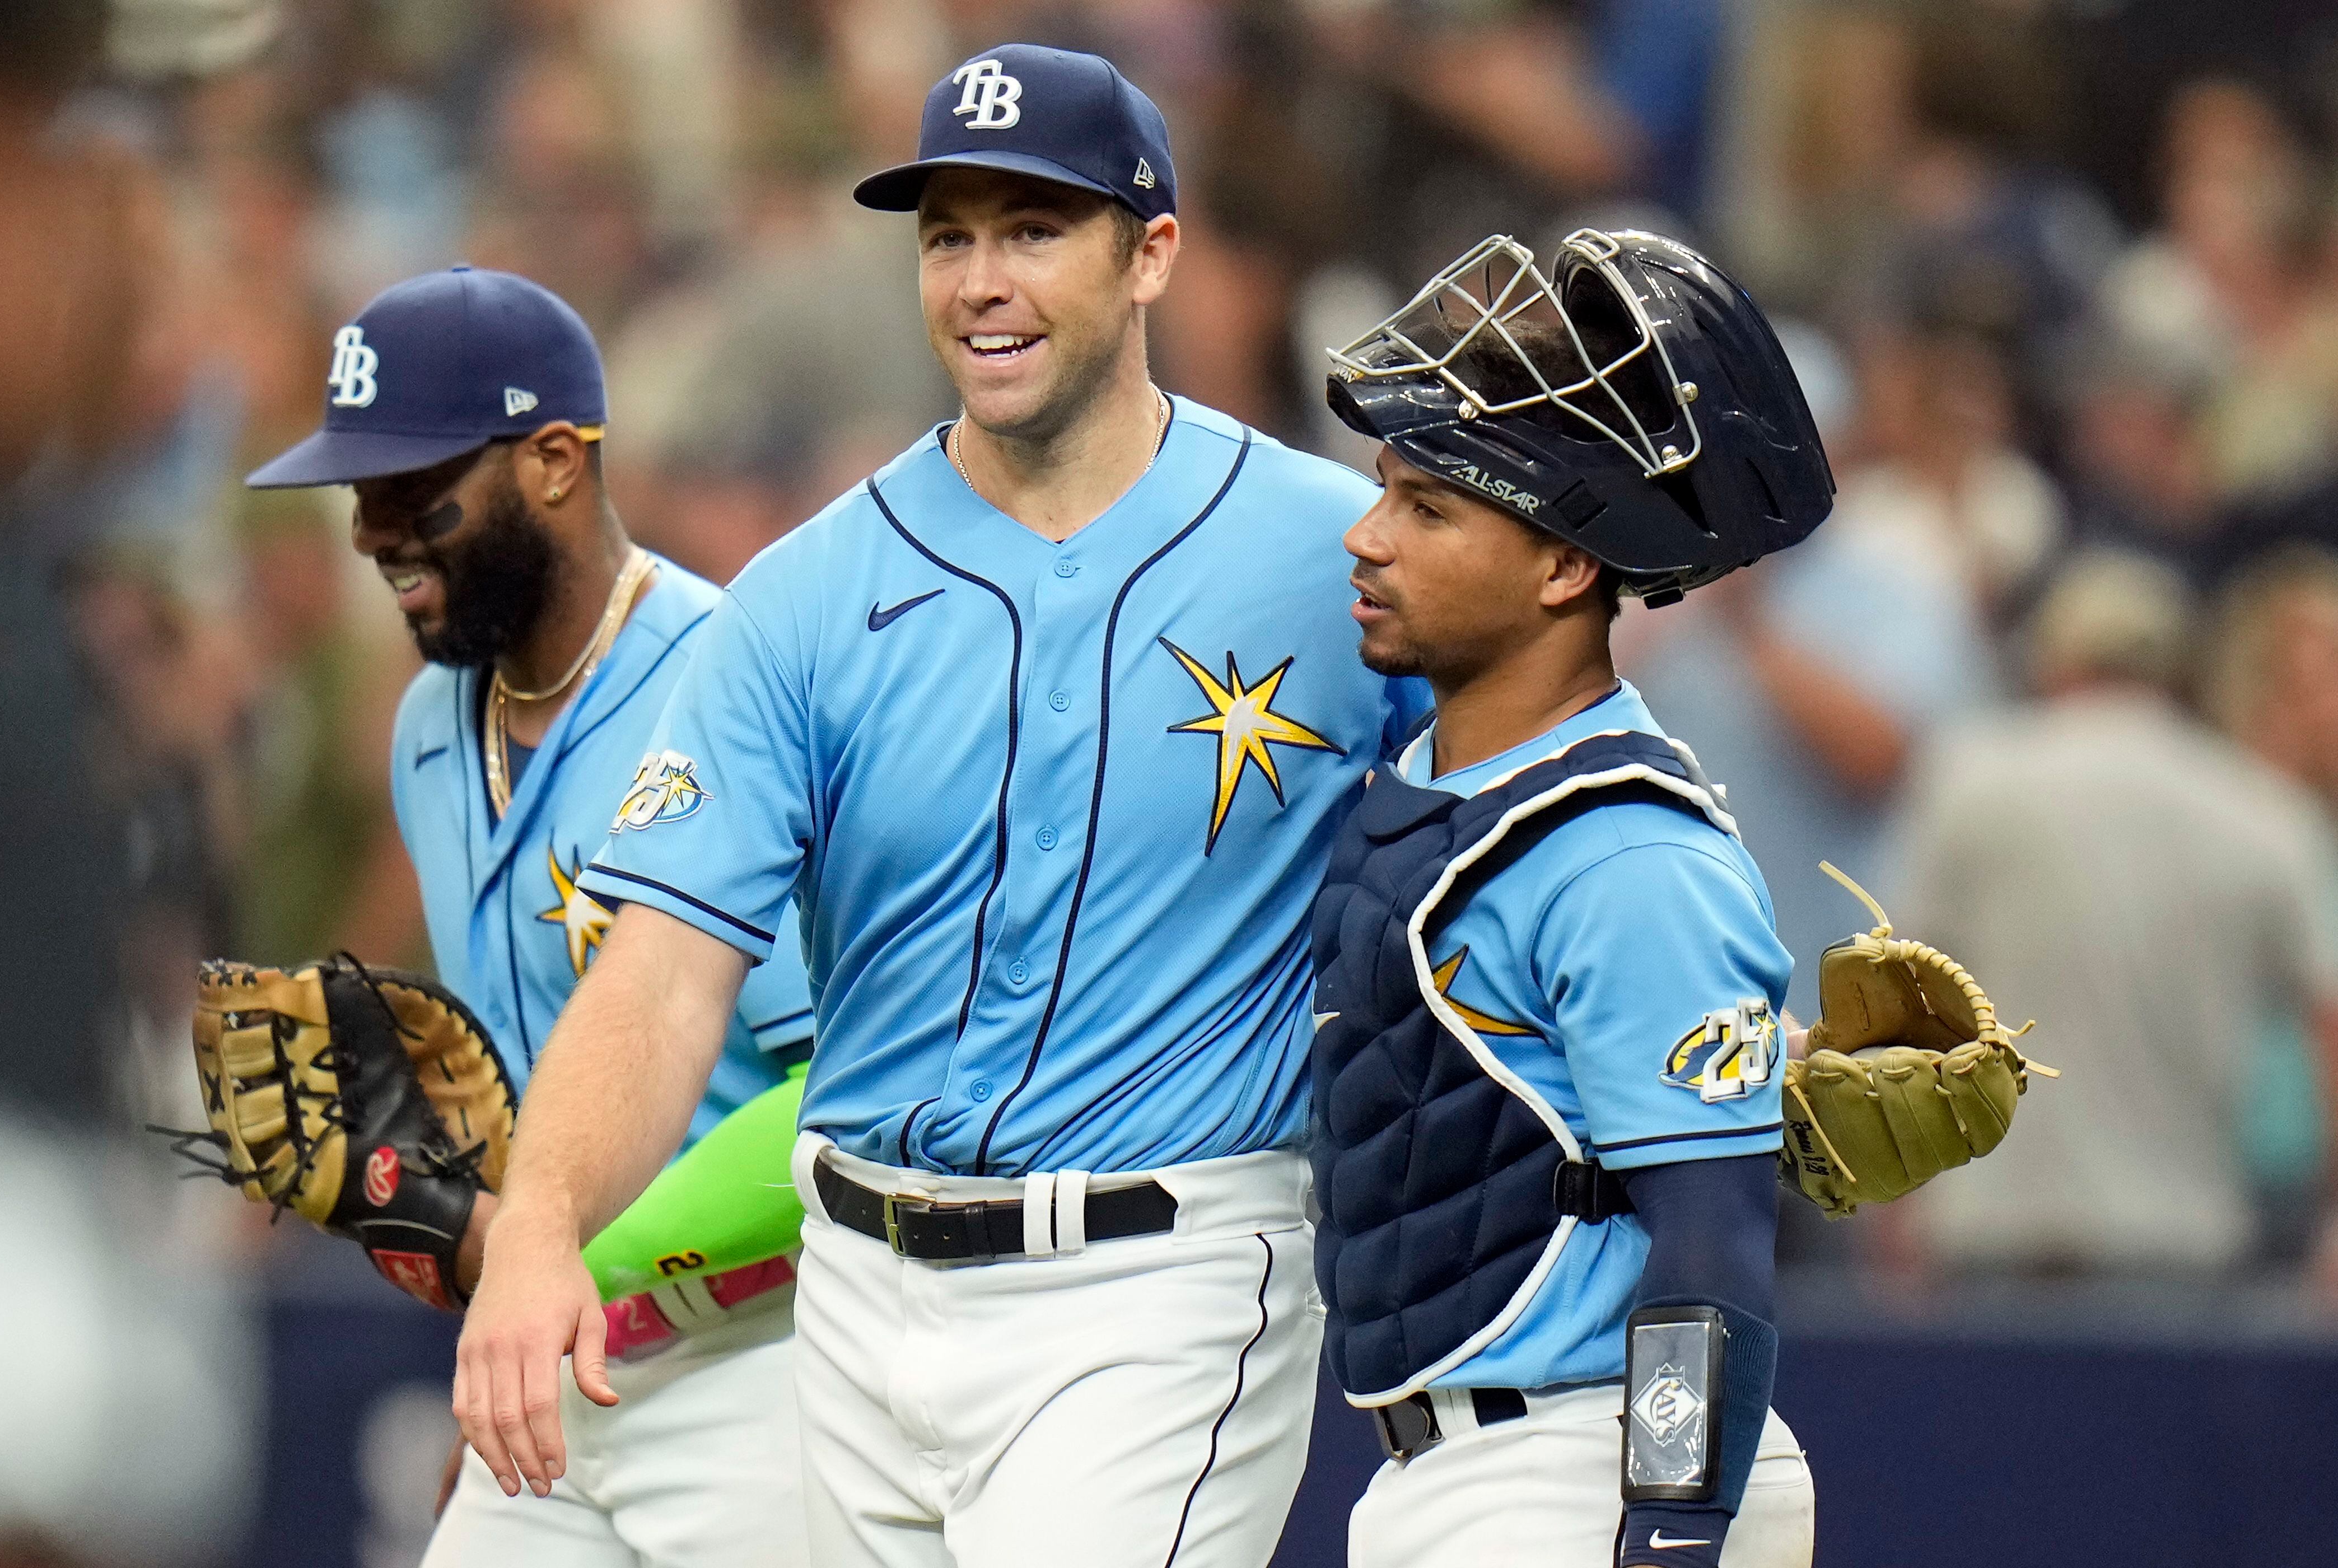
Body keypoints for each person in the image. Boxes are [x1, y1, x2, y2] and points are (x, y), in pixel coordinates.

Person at [455, 44, 1434, 1567]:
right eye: (948, 235)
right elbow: (656, 982)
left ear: (1152, 250)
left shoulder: (1340, 554)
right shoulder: (802, 596)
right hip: (851, 1291)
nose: (982, 280)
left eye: (1033, 230)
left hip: (1157, 1281)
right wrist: (535, 1222)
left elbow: (1545, 798)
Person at [242, 266, 817, 1567]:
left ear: (554, 460)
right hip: (559, 1367)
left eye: (413, 486)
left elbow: (834, 1093)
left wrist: (544, 1269)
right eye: (356, 491)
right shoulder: (428, 729)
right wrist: (507, 1321)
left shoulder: (726, 688)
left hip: (759, 1364)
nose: (370, 531)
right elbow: (524, 1094)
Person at [1308, 228, 1831, 1566]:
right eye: (1384, 489)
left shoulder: (1628, 856)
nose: (1368, 536)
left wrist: (1666, 1526)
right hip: (1468, 1466)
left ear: (1562, 567)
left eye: (1431, 506)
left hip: (1581, 1467)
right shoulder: (1436, 777)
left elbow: (1711, 1246)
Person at [1891, 549, 2338, 1280]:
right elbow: (2329, 1030)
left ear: (2056, 662)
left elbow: (1899, 999)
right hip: (2181, 1238)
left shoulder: (1968, 783)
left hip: (1984, 1229)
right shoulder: (2263, 814)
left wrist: (1894, 1201)